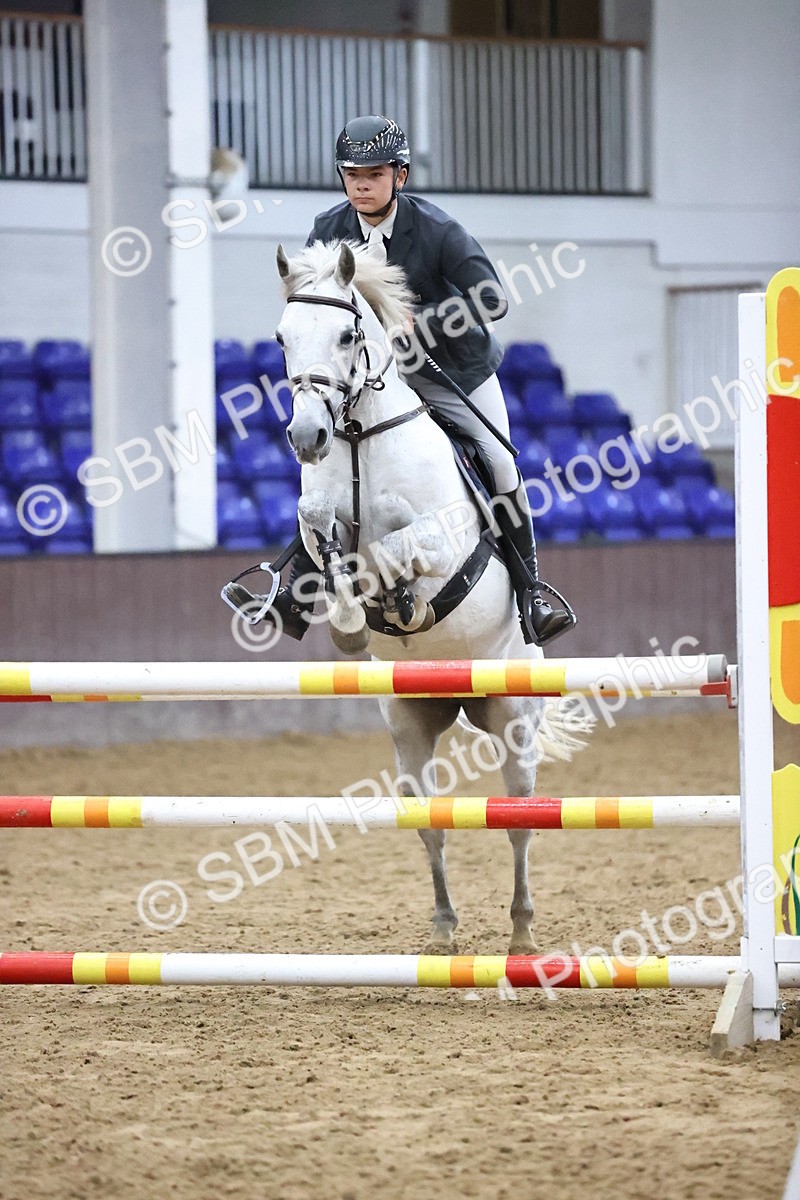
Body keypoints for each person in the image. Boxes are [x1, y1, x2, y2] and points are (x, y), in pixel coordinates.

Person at [263, 114, 575, 646]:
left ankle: (531, 591)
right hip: (371, 376)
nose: (362, 184)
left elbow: (492, 298)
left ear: (400, 176)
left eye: (374, 173)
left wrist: (424, 324)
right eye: (352, 174)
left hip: (450, 369)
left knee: (500, 460)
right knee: (326, 456)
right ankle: (298, 587)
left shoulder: (436, 230)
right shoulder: (327, 229)